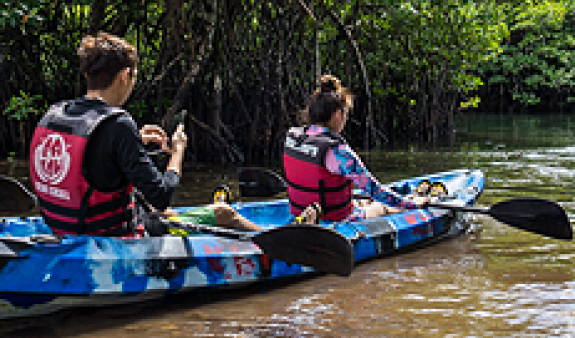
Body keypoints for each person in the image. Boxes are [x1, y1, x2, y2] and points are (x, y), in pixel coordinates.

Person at [29, 33, 256, 236]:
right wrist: (177, 153)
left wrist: (136, 139)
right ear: (125, 76)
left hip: (64, 227)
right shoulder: (118, 124)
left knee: (162, 212)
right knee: (224, 213)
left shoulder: (57, 113)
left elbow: (91, 157)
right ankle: (287, 251)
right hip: (112, 236)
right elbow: (161, 196)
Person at [282, 75, 423, 223]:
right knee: (381, 206)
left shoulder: (293, 137)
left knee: (360, 202)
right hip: (336, 219)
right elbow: (375, 191)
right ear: (338, 115)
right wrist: (412, 205)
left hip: (300, 213)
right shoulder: (338, 152)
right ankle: (409, 201)